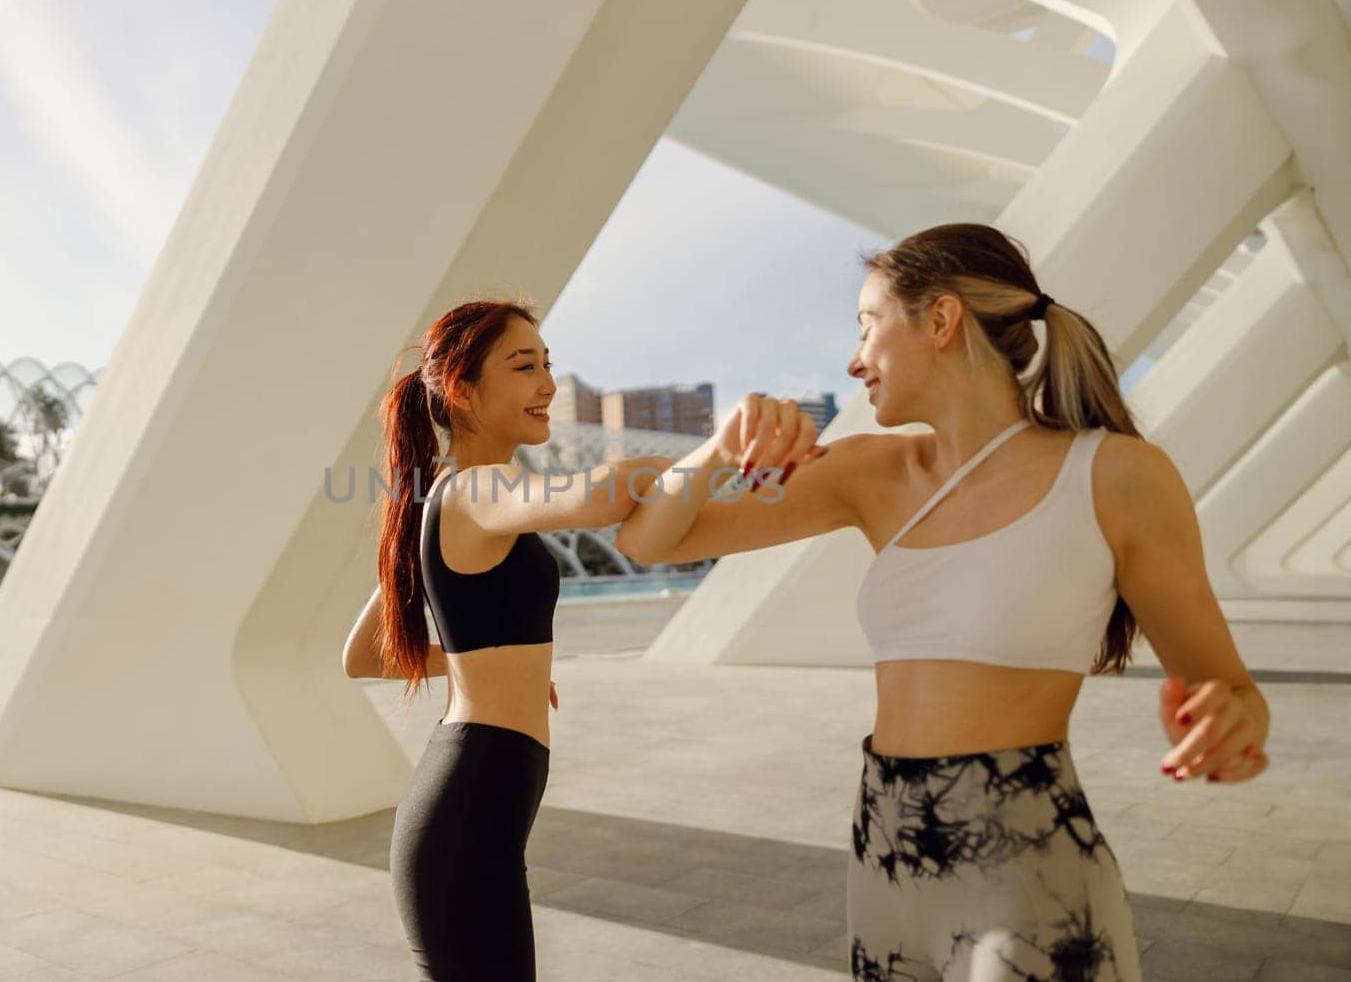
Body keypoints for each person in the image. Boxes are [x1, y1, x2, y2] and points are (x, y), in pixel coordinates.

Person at [614, 223, 1270, 981]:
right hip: (883, 862)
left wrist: (1232, 723)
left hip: (1027, 873)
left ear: (942, 319)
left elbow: (1234, 690)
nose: (854, 359)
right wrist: (723, 446)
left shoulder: (1116, 475)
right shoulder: (869, 470)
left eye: (866, 326)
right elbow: (650, 540)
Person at [341, 298, 669, 981]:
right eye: (525, 366)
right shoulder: (476, 490)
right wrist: (719, 462)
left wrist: (482, 663)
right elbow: (602, 496)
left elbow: (364, 653)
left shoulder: (443, 494)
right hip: (468, 812)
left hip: (472, 807)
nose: (548, 383)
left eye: (547, 363)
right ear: (462, 389)